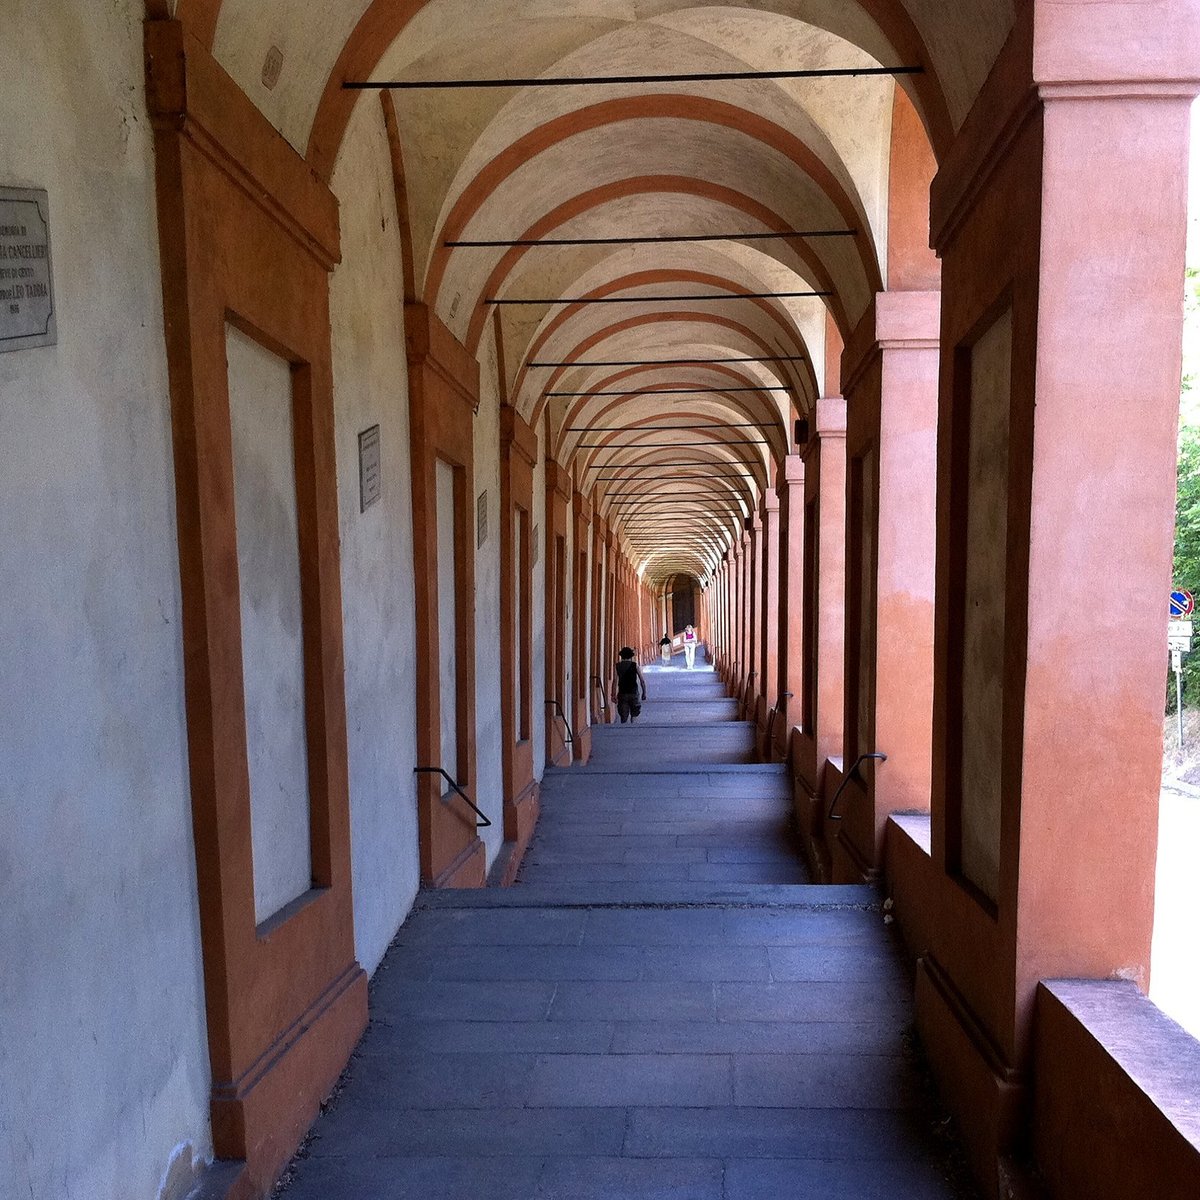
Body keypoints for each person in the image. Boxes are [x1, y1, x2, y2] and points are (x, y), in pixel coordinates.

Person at [612, 646, 648, 724]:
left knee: (623, 717)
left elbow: (615, 681)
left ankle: (624, 732)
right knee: (634, 714)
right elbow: (642, 680)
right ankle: (632, 728)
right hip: (634, 693)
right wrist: (644, 693)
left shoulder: (618, 666)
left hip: (622, 693)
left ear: (621, 656)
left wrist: (613, 694)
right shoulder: (635, 665)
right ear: (631, 656)